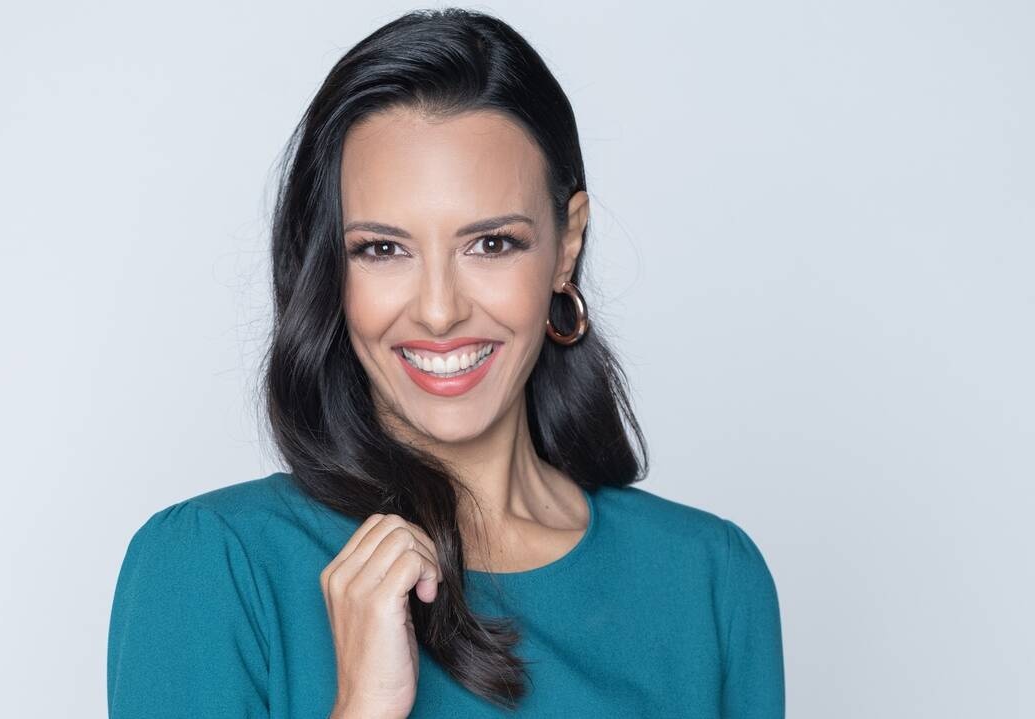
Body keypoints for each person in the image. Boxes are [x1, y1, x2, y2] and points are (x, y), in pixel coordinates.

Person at [107, 7, 784, 718]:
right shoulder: (210, 568)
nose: (438, 311)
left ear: (567, 246)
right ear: (331, 265)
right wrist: (363, 705)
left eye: (491, 244)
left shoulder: (708, 578)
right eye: (382, 249)